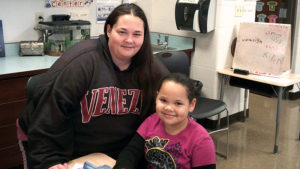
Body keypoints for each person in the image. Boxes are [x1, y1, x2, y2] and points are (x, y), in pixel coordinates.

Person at [17, 3, 169, 169]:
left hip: (123, 155)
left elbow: (172, 109)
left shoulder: (151, 67)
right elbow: (47, 117)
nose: (129, 40)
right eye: (122, 32)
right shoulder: (81, 63)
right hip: (67, 151)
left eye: (137, 34)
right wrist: (49, 161)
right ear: (109, 30)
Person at [113, 73, 216, 169]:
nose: (169, 108)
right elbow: (132, 152)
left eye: (178, 103)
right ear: (157, 97)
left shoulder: (202, 141)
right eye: (163, 100)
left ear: (191, 105)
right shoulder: (151, 121)